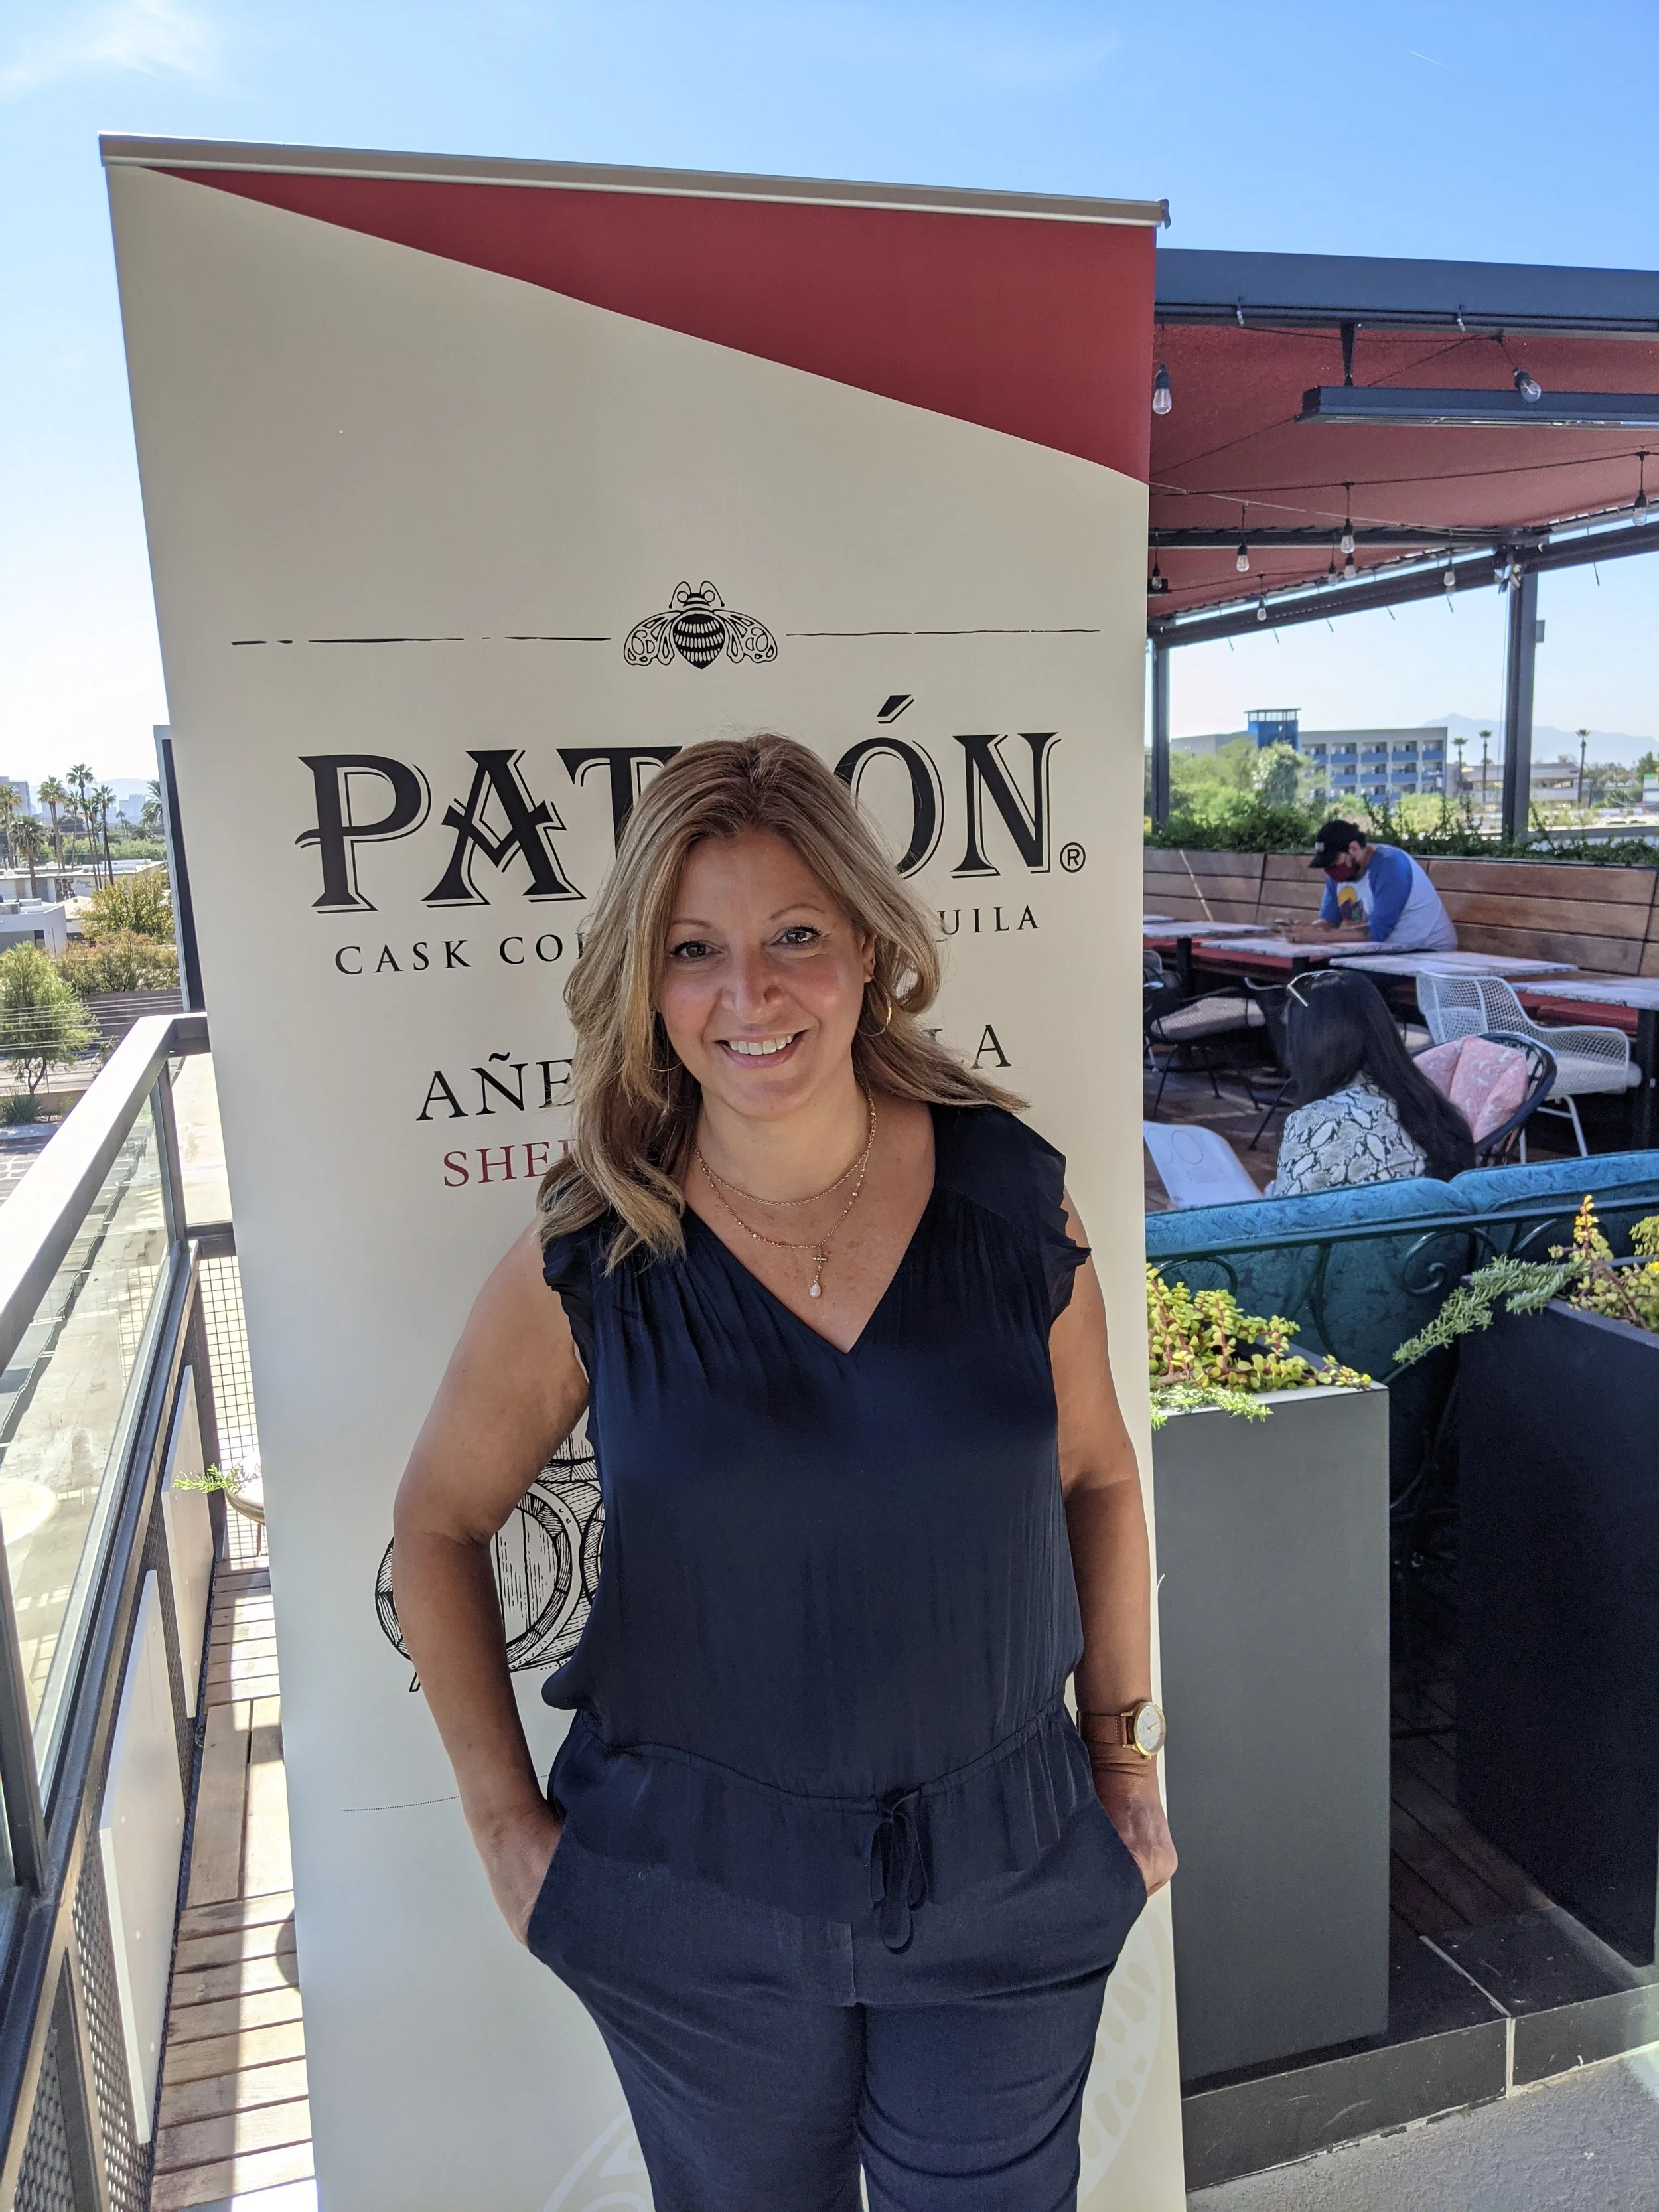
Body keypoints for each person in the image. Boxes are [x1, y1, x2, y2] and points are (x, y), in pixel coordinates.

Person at [392, 734, 1175, 2212]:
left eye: (793, 935)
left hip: (1007, 1877)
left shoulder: (1011, 1195)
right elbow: (436, 1521)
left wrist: (1119, 1755)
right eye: (694, 948)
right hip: (694, 1904)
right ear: (647, 981)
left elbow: (1096, 1473)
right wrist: (505, 1829)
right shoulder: (598, 1251)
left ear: (869, 945)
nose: (746, 993)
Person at [1268, 968, 1475, 1197]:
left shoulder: (1315, 1121)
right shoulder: (1430, 1107)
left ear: (1308, 1048)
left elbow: (1289, 1220)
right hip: (1427, 1231)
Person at [1305, 818, 1457, 952]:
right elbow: (1330, 921)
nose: (1329, 868)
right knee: (1315, 974)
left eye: (1333, 861)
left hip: (1426, 950)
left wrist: (1320, 936)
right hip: (1387, 951)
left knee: (1342, 979)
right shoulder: (1339, 874)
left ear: (1354, 849)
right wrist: (1303, 930)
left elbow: (1376, 932)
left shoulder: (1390, 865)